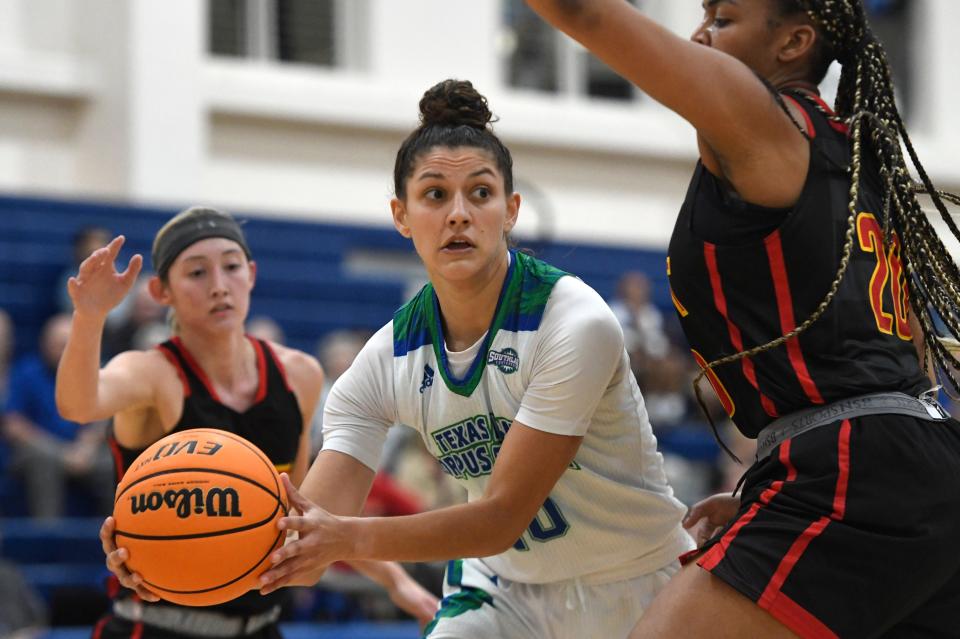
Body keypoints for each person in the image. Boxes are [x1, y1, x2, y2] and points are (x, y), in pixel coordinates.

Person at [522, 1, 960, 637]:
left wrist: (832, 478)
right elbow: (911, 348)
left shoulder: (762, 115)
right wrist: (784, 478)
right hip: (920, 461)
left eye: (723, 18)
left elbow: (586, 15)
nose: (699, 34)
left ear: (793, 42)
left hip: (853, 471)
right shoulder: (851, 155)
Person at [251, 79, 694, 639]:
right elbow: (304, 542)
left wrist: (350, 537)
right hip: (503, 593)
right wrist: (170, 566)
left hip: (638, 584)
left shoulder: (575, 320)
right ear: (401, 215)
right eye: (435, 194)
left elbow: (502, 516)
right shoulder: (386, 359)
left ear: (510, 210)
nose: (458, 213)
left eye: (479, 193)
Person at [55, 208, 438, 638]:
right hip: (155, 625)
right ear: (162, 291)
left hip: (261, 626)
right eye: (197, 273)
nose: (220, 286)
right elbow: (78, 404)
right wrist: (89, 316)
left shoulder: (299, 375)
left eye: (232, 267)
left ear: (251, 274)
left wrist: (398, 582)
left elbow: (307, 512)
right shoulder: (153, 373)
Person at [3, 313, 113, 519]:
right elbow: (13, 424)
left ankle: (119, 534)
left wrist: (86, 447)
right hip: (40, 449)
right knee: (43, 462)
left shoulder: (93, 371)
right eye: (57, 344)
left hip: (84, 452)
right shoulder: (26, 372)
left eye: (67, 344)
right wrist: (60, 453)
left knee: (114, 463)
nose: (62, 350)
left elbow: (105, 416)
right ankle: (48, 537)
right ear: (44, 344)